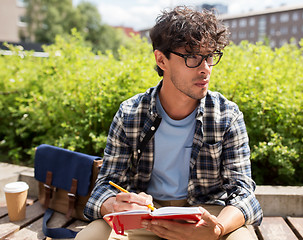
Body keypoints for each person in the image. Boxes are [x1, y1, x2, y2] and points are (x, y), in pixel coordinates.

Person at [76, 6, 262, 240]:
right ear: (161, 59)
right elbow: (105, 187)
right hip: (147, 215)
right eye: (192, 57)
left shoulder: (227, 115)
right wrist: (115, 205)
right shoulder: (130, 113)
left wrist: (217, 229)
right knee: (87, 238)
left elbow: (244, 193)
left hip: (206, 215)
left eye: (210, 56)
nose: (205, 69)